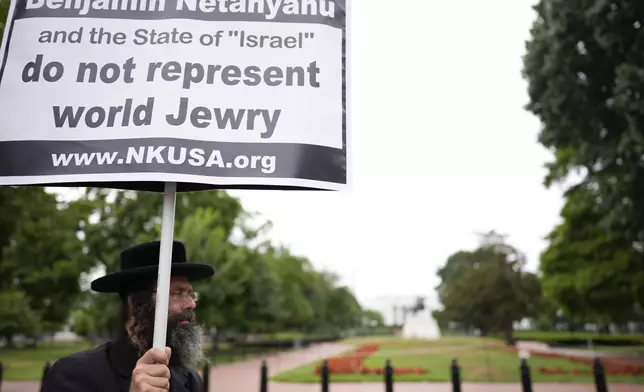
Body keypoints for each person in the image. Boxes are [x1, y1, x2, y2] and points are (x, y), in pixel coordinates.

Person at [41, 240, 215, 392]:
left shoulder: (189, 380)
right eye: (178, 293)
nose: (191, 303)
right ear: (136, 303)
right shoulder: (73, 375)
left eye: (190, 293)